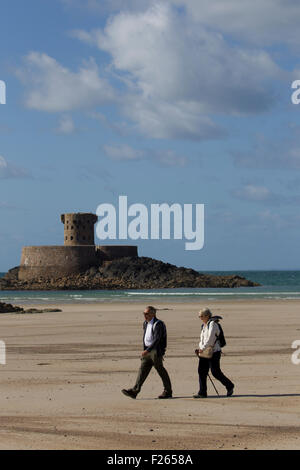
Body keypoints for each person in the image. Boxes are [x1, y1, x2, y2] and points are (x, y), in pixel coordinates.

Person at [122, 306, 173, 399]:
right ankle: (135, 391)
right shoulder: (145, 323)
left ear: (153, 314)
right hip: (147, 351)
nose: (145, 315)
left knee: (160, 370)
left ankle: (168, 391)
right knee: (142, 370)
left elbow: (157, 339)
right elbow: (146, 337)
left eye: (146, 313)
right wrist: (145, 349)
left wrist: (148, 350)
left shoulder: (159, 324)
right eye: (144, 313)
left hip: (155, 351)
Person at [194, 308, 234, 398]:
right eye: (199, 316)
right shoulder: (203, 325)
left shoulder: (213, 324)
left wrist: (202, 348)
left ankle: (229, 385)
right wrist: (200, 347)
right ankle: (202, 392)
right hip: (204, 352)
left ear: (207, 316)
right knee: (202, 371)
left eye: (201, 316)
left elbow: (211, 339)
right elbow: (202, 339)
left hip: (214, 352)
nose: (200, 318)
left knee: (215, 372)